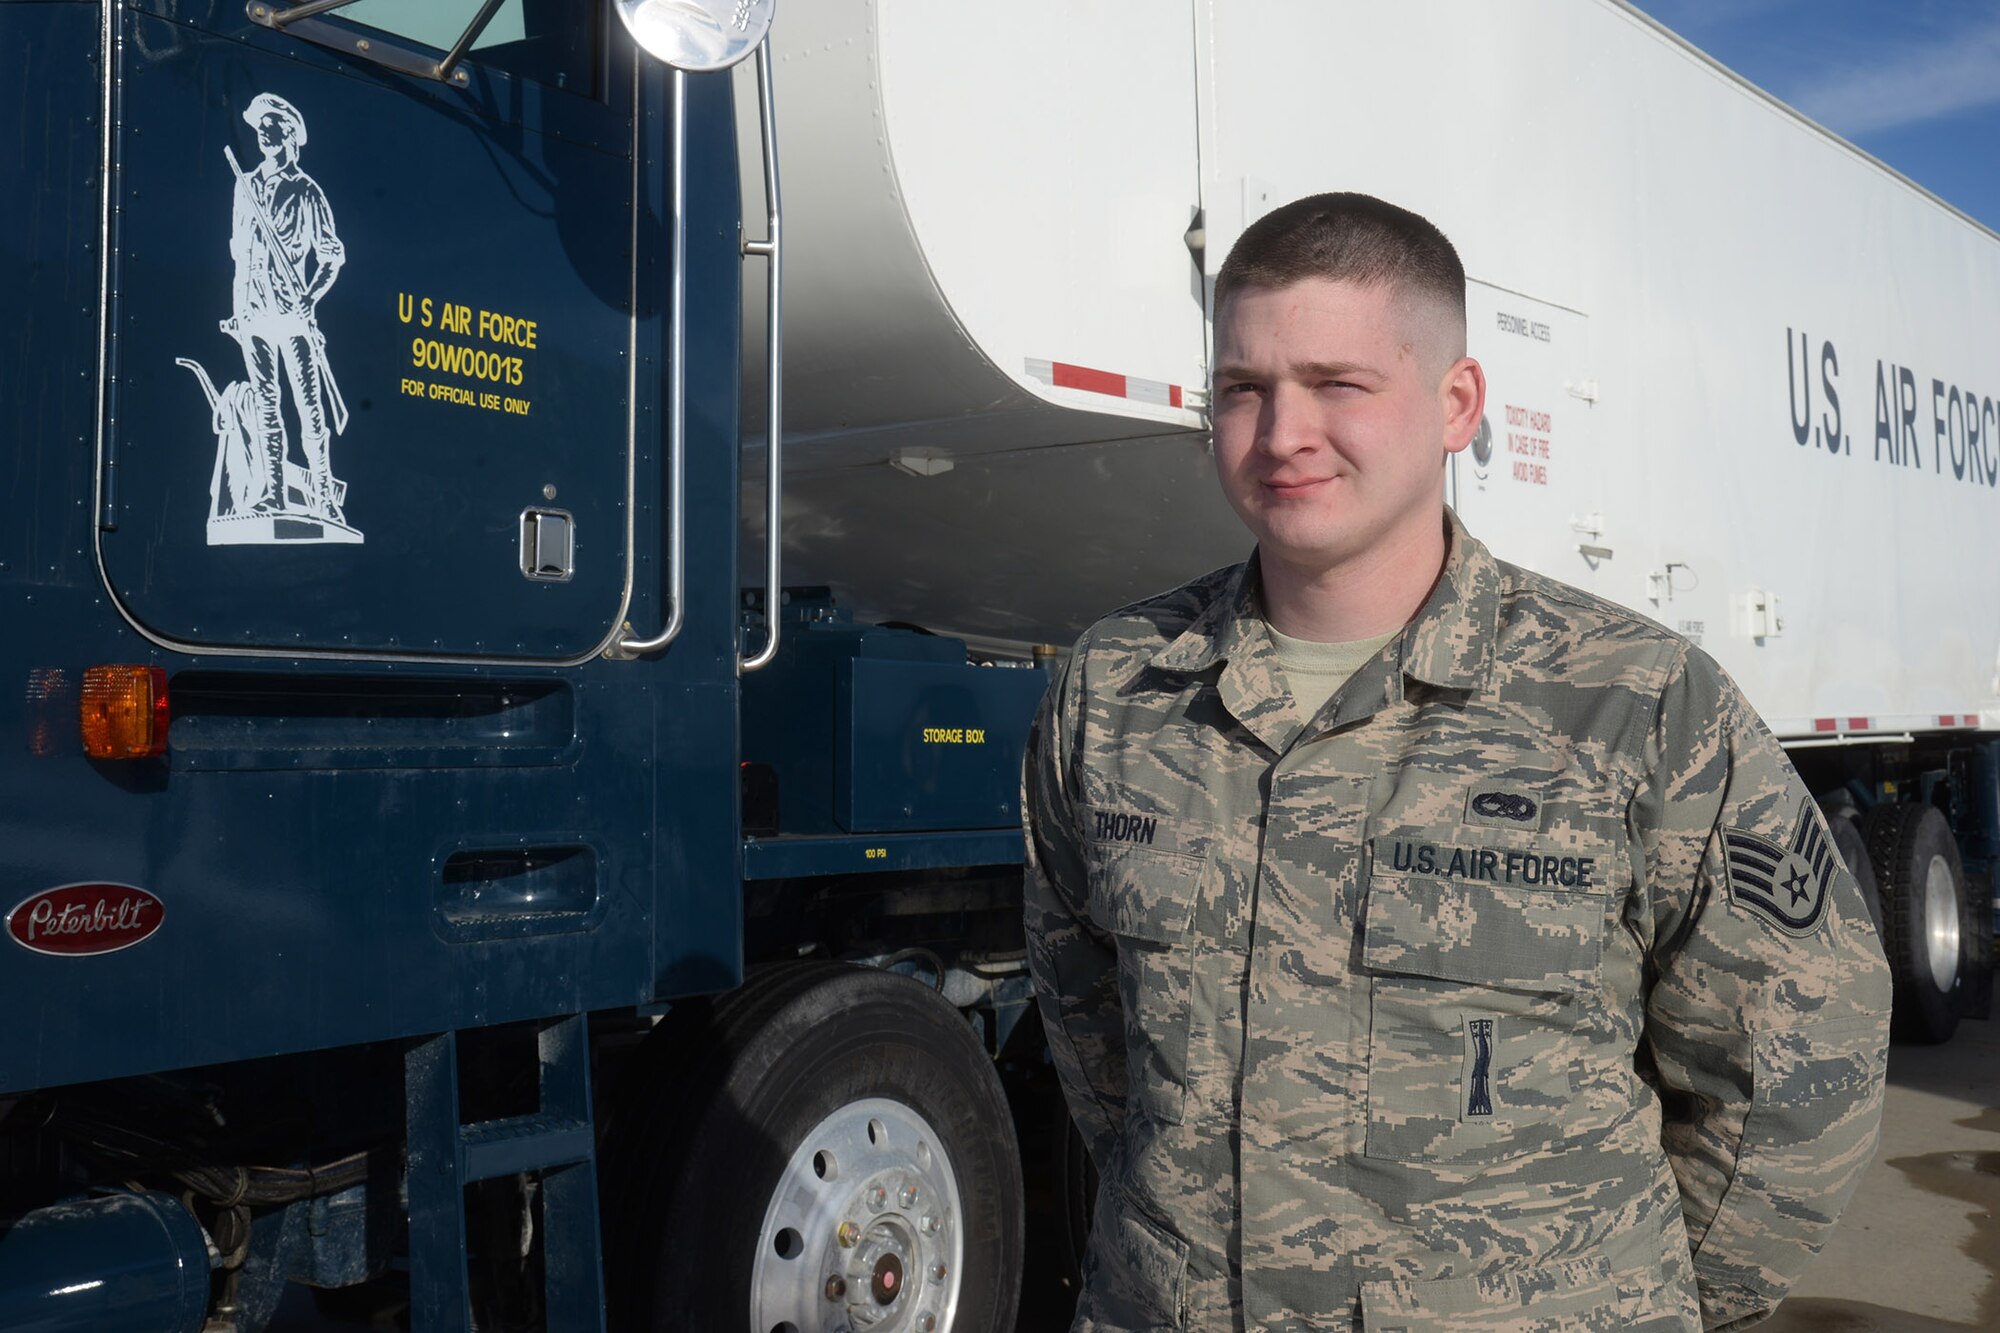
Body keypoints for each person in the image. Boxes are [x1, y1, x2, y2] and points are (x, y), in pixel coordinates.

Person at [1023, 192, 1890, 1332]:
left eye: (1337, 385)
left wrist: (1630, 1303)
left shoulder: (1630, 703)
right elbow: (1094, 1044)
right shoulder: (1117, 691)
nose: (1281, 433)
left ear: (1453, 402)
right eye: (1242, 389)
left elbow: (1797, 1066)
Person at [225, 91, 347, 523]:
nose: (263, 132)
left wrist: (310, 300)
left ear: (290, 134)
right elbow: (239, 253)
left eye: (271, 125)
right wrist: (238, 310)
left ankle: (324, 497)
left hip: (293, 318)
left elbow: (332, 256)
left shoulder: (307, 192)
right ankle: (274, 493)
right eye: (259, 125)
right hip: (254, 314)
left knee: (309, 410)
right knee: (265, 406)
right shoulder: (246, 187)